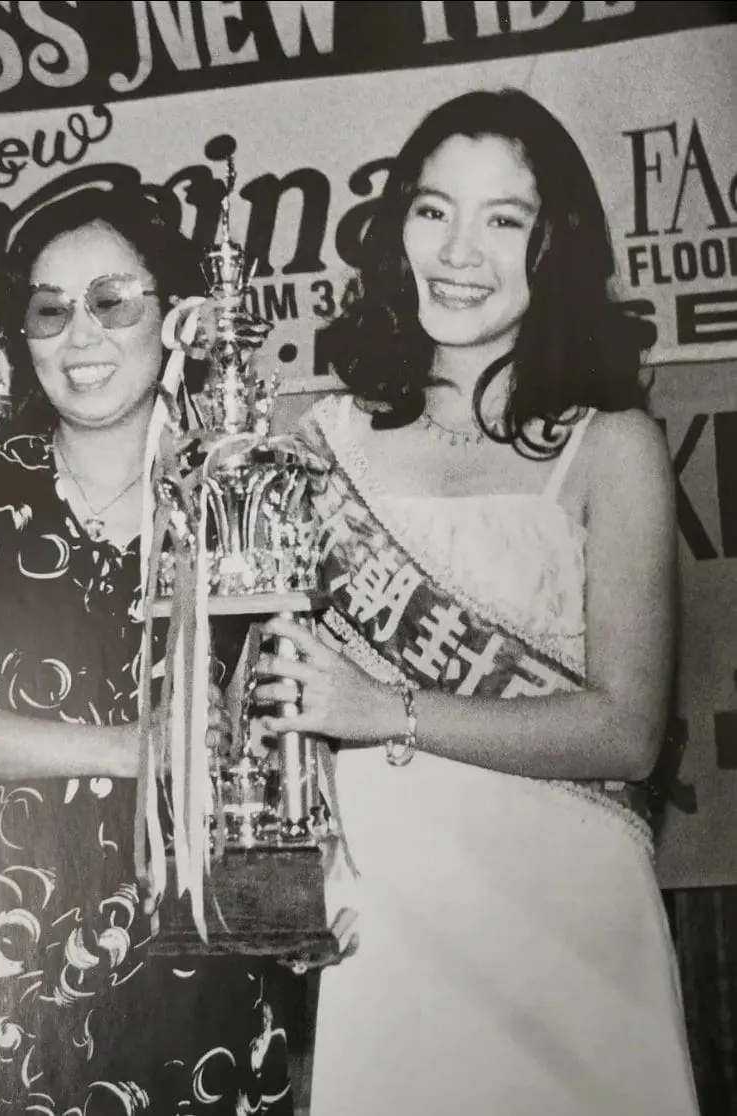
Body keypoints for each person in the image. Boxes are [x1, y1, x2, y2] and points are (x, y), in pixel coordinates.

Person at [253, 89, 699, 1115]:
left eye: (501, 219)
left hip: (566, 912)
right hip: (384, 912)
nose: (457, 251)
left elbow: (626, 733)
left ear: (552, 247)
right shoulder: (314, 440)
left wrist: (386, 712)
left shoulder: (611, 446)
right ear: (393, 227)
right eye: (430, 208)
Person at [0, 188, 293, 1114]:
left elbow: (283, 728)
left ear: (177, 314)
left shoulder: (237, 499)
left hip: (192, 964)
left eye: (112, 301)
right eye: (50, 309)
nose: (81, 335)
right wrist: (126, 749)